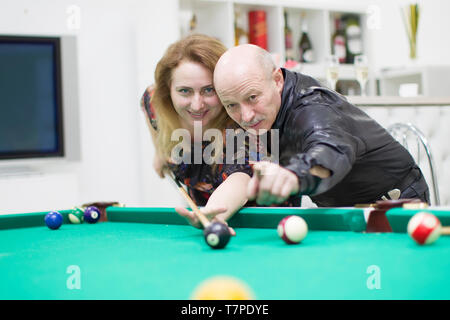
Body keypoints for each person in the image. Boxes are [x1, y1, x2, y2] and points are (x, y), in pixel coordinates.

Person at [213, 44, 430, 207]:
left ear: (277, 80)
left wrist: (294, 175)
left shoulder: (312, 108)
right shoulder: (267, 110)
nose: (245, 116)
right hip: (341, 208)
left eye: (252, 97)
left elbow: (329, 149)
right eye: (231, 105)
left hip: (395, 202)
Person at [140, 34, 255, 234]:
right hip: (205, 222)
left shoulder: (240, 123)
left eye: (209, 90)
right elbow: (148, 100)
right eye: (184, 91)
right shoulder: (156, 101)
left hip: (258, 227)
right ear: (169, 90)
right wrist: (158, 149)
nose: (197, 105)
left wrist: (212, 215)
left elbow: (240, 178)